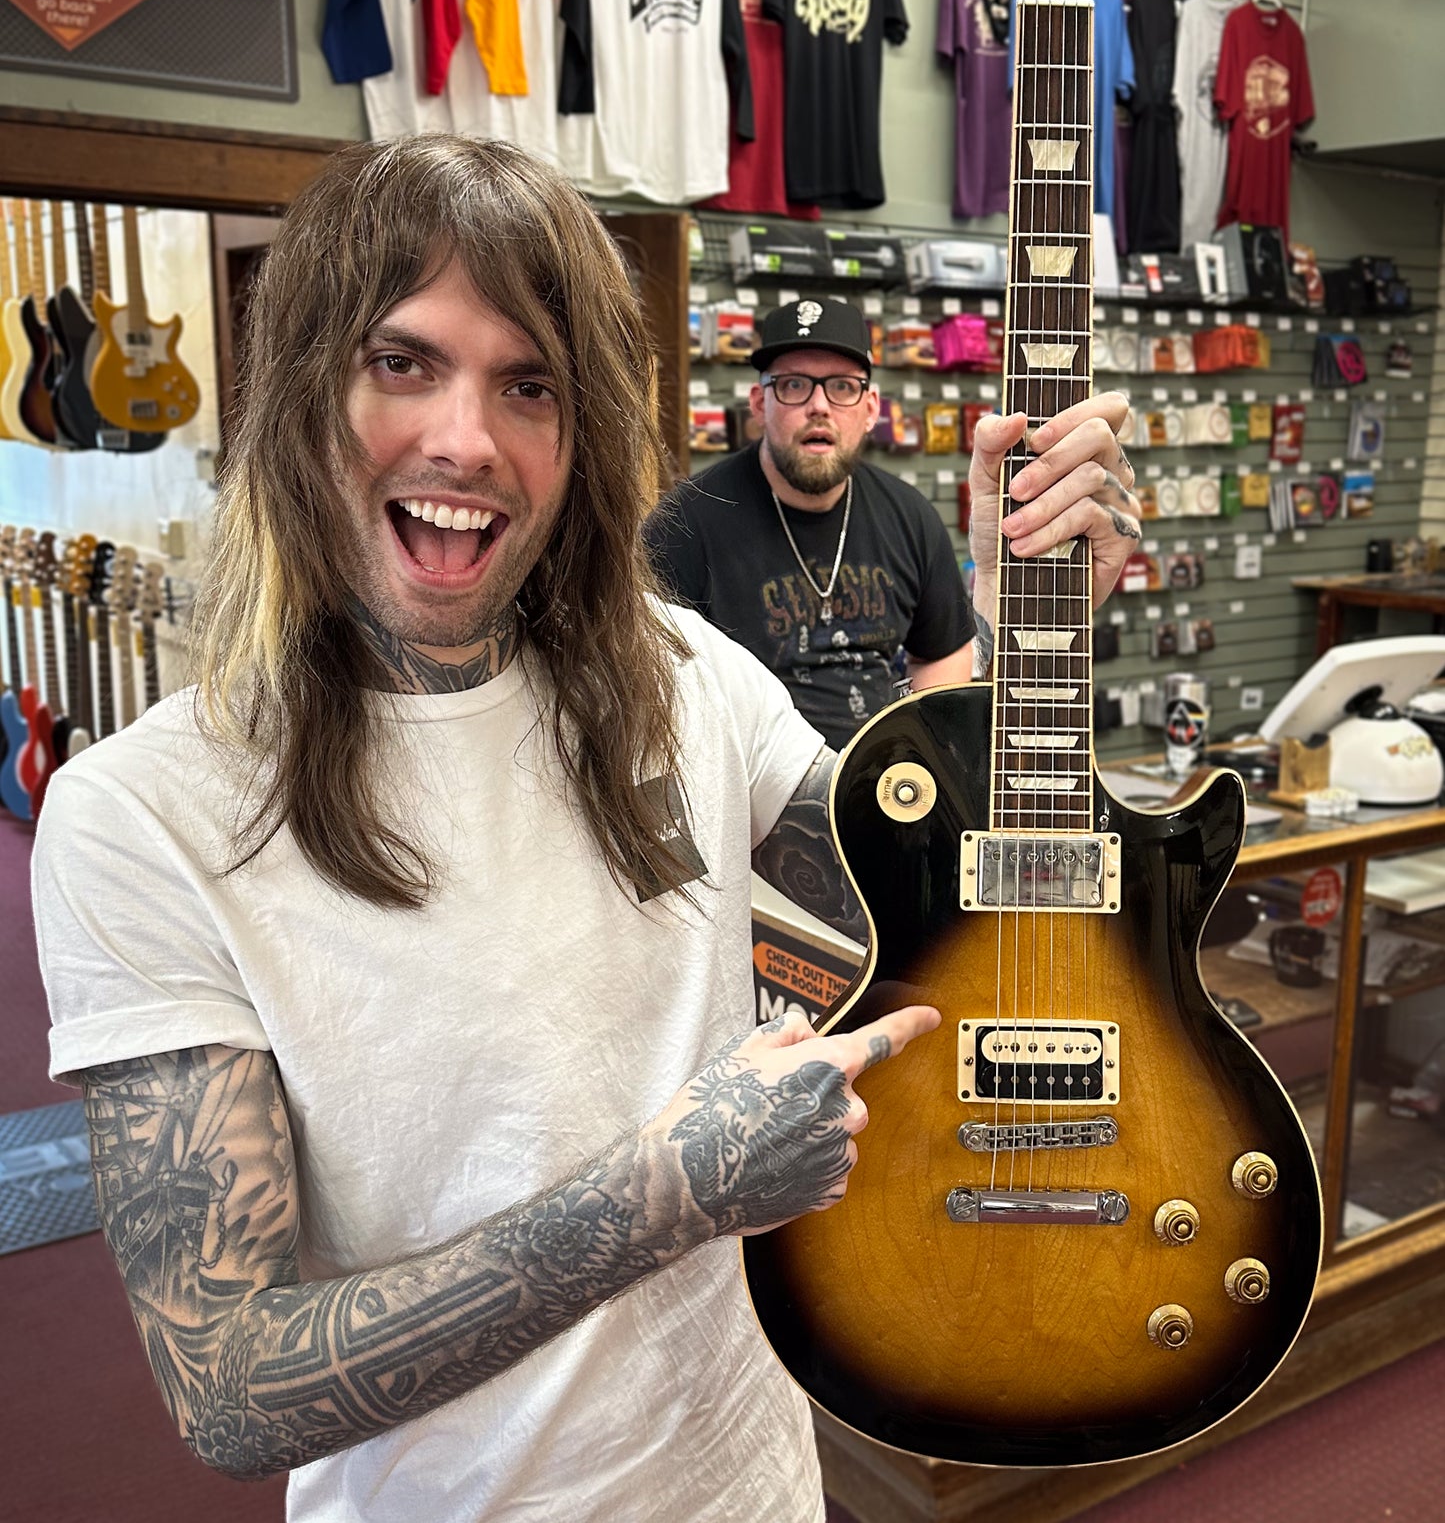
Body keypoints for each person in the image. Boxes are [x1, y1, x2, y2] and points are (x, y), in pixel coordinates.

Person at [31, 137, 1139, 1523]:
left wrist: (1029, 627)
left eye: (528, 382)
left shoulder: (686, 675)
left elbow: (969, 918)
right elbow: (234, 1384)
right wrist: (665, 1192)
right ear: (301, 390)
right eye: (402, 360)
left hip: (757, 1485)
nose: (466, 438)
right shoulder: (144, 815)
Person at [645, 297, 1140, 750]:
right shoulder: (682, 525)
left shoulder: (910, 516)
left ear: (870, 409)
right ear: (760, 404)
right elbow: (659, 712)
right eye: (794, 385)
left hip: (888, 798)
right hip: (747, 807)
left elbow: (943, 684)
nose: (819, 406)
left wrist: (1023, 591)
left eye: (842, 387)